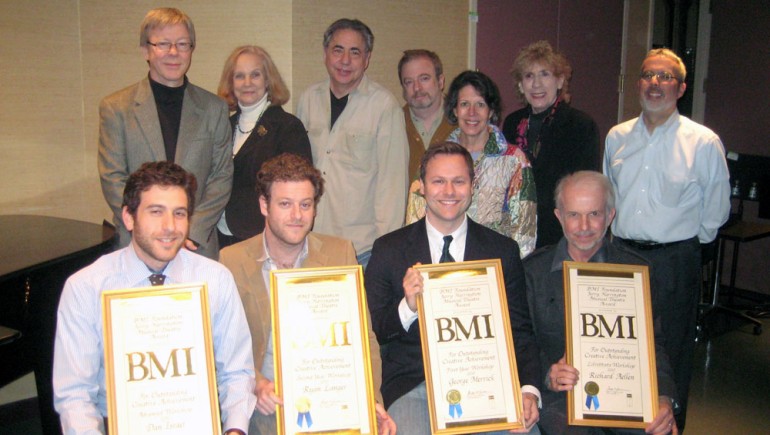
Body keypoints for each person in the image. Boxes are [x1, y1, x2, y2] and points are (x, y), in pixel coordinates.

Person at [53, 161, 255, 434]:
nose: (170, 226)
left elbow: (237, 372)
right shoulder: (86, 288)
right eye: (156, 212)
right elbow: (75, 395)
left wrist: (235, 430)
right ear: (129, 217)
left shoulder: (216, 279)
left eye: (179, 213)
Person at [366, 142, 541, 434]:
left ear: (472, 185)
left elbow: (519, 330)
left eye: (459, 182)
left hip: (486, 385)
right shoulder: (389, 249)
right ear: (421, 186)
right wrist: (407, 307)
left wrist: (528, 390)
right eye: (438, 181)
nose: (449, 192)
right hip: (413, 385)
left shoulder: (502, 251)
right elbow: (374, 331)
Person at [219, 153, 396, 434]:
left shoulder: (340, 253)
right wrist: (255, 382)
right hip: (267, 409)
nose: (297, 216)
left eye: (305, 204)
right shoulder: (232, 260)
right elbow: (223, 349)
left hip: (331, 403)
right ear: (264, 205)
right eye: (285, 204)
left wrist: (371, 400)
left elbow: (364, 338)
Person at [604, 48, 730, 430]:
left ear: (681, 88)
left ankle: (669, 426)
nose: (655, 84)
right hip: (622, 255)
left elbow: (716, 210)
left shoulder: (703, 142)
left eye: (665, 77)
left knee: (671, 353)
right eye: (647, 75)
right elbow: (607, 197)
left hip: (675, 261)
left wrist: (686, 244)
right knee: (621, 350)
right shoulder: (617, 137)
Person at [523, 171, 678, 435]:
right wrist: (548, 375)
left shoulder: (636, 270)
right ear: (559, 216)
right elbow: (522, 344)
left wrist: (664, 398)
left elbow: (654, 345)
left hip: (625, 395)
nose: (584, 226)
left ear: (610, 216)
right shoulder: (532, 272)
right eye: (573, 215)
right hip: (561, 398)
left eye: (594, 214)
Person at [98, 7, 232, 260]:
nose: (173, 52)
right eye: (163, 44)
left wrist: (188, 229)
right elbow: (113, 178)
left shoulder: (214, 108)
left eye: (182, 44)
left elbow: (222, 176)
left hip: (196, 244)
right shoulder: (116, 108)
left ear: (192, 49)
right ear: (145, 50)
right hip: (137, 244)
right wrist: (151, 229)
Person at [296, 18, 409, 267]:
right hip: (309, 244)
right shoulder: (308, 100)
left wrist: (385, 251)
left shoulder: (384, 107)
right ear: (326, 53)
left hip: (361, 250)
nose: (345, 61)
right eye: (338, 50)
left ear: (367, 59)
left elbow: (392, 185)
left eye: (355, 52)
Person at [406, 70, 537, 257]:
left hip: (493, 267)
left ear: (491, 111)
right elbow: (415, 217)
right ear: (454, 109)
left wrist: (506, 271)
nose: (472, 113)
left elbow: (525, 231)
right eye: (465, 104)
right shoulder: (434, 159)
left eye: (480, 105)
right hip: (439, 261)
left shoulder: (514, 161)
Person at [502, 41, 601, 249]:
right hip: (516, 231)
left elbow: (586, 186)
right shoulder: (511, 124)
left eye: (544, 74)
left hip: (559, 233)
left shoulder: (580, 125)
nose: (536, 84)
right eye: (529, 76)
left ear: (559, 81)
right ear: (521, 85)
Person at [215, 45, 312, 248]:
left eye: (255, 75)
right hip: (222, 240)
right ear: (231, 82)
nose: (247, 83)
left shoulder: (287, 128)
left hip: (266, 242)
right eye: (239, 76)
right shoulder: (224, 126)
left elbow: (297, 192)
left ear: (268, 80)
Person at [398, 49, 454, 182]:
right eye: (409, 82)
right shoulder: (392, 125)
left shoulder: (463, 122)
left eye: (424, 79)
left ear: (441, 81)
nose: (417, 88)